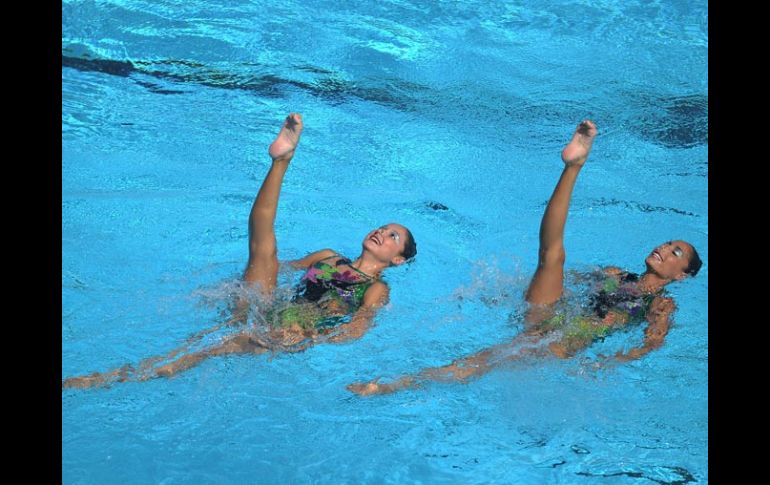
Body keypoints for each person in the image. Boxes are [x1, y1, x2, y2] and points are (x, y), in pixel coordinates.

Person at [63, 113, 417, 389]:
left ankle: (119, 377)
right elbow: (277, 268)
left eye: (392, 237)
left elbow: (358, 328)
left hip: (289, 332)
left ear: (397, 260)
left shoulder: (376, 289)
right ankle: (281, 160)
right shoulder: (327, 256)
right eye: (383, 228)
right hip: (271, 306)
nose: (381, 233)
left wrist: (313, 338)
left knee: (207, 349)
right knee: (263, 251)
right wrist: (232, 288)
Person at [348, 120, 702, 396]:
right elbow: (567, 282)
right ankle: (573, 166)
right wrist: (505, 291)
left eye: (675, 252)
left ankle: (394, 385)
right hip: (552, 312)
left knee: (479, 362)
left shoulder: (662, 305)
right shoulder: (614, 273)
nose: (663, 248)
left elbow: (651, 344)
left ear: (681, 275)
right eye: (668, 242)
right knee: (551, 257)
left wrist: (608, 364)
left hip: (566, 341)